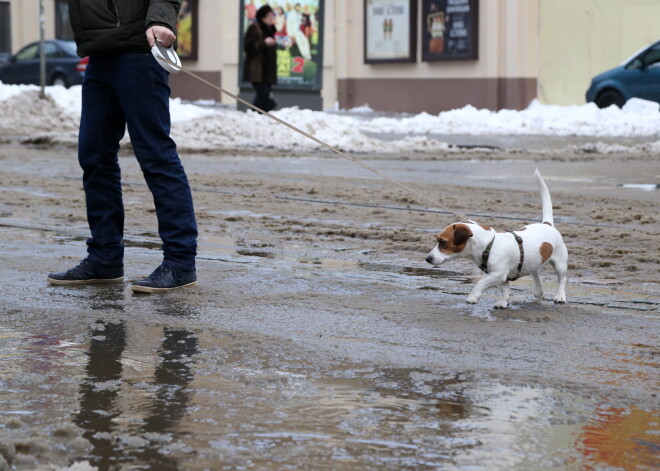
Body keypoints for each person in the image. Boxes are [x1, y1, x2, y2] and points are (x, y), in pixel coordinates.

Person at [47, 0, 198, 293]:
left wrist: (163, 22)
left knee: (156, 156)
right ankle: (105, 257)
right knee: (94, 155)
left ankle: (180, 262)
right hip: (99, 54)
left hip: (138, 52)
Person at [242, 5, 278, 113]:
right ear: (262, 17)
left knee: (266, 96)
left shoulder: (270, 30)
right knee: (263, 94)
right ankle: (254, 115)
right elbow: (248, 47)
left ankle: (259, 118)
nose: (271, 18)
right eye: (269, 16)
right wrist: (264, 43)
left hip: (268, 70)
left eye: (272, 16)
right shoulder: (254, 28)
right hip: (257, 70)